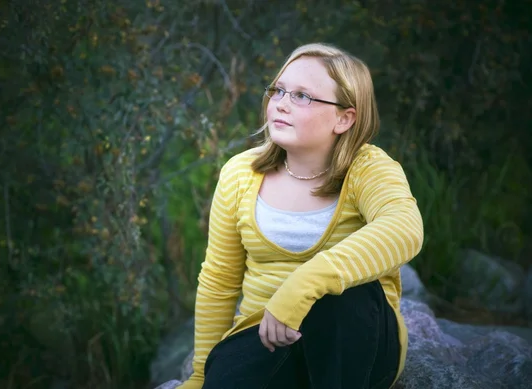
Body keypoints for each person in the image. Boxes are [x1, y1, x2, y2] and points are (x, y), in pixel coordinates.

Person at [177, 42, 424, 389]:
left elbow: (404, 229)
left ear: (344, 118)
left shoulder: (369, 168)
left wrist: (302, 286)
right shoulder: (240, 173)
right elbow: (220, 280)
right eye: (278, 90)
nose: (280, 103)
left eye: (302, 96)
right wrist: (200, 374)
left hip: (355, 347)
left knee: (343, 296)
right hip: (265, 341)